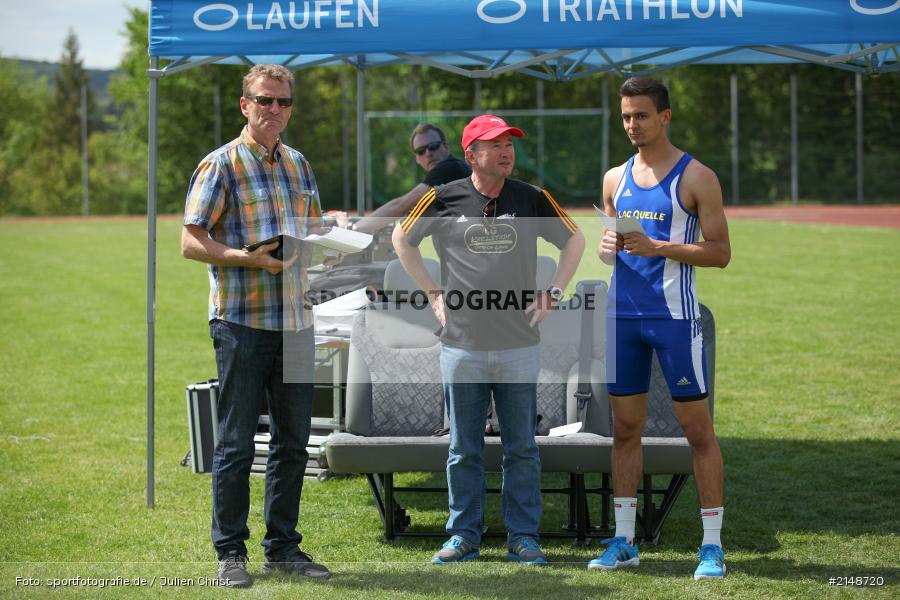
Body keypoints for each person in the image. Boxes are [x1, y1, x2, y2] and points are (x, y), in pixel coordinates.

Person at [392, 115, 585, 566]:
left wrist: (554, 292)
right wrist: (433, 293)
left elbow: (574, 241)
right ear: (472, 154)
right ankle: (464, 536)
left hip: (519, 344)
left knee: (522, 448)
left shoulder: (532, 198)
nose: (506, 152)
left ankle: (523, 537)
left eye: (509, 144)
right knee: (464, 449)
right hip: (461, 345)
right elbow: (402, 238)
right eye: (494, 144)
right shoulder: (443, 197)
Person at [181, 64, 332, 588]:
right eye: (264, 101)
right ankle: (229, 552)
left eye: (283, 102)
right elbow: (190, 241)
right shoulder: (220, 164)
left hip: (296, 321)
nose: (274, 111)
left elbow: (311, 231)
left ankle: (283, 548)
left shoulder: (298, 164)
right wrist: (250, 259)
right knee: (237, 444)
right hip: (242, 322)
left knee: (293, 443)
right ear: (244, 105)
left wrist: (332, 240)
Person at [590, 77, 731, 580]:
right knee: (625, 428)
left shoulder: (698, 177)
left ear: (665, 116)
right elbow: (614, 242)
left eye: (642, 115)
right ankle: (624, 540)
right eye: (626, 116)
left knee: (697, 431)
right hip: (622, 316)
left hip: (674, 319)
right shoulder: (614, 178)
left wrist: (660, 247)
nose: (632, 124)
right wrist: (608, 249)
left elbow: (720, 253)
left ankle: (711, 546)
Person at [352, 122, 471, 234]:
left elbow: (400, 206)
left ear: (446, 147)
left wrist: (353, 228)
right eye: (421, 151)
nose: (428, 153)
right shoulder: (454, 171)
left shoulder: (449, 168)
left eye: (433, 146)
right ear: (417, 159)